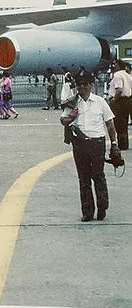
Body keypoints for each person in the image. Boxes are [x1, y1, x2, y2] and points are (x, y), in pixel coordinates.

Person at [60, 71, 118, 222]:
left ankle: (102, 207)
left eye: (85, 84)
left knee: (98, 175)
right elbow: (63, 120)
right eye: (79, 84)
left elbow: (110, 124)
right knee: (84, 178)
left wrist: (114, 144)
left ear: (90, 85)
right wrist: (71, 117)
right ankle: (87, 211)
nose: (82, 87)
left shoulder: (100, 102)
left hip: (97, 142)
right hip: (79, 143)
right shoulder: (72, 102)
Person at [108, 59, 131, 150]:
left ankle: (121, 144)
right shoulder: (128, 75)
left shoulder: (117, 75)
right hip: (127, 100)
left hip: (119, 101)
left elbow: (119, 89)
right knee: (124, 123)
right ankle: (124, 144)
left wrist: (114, 99)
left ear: (118, 66)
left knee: (118, 123)